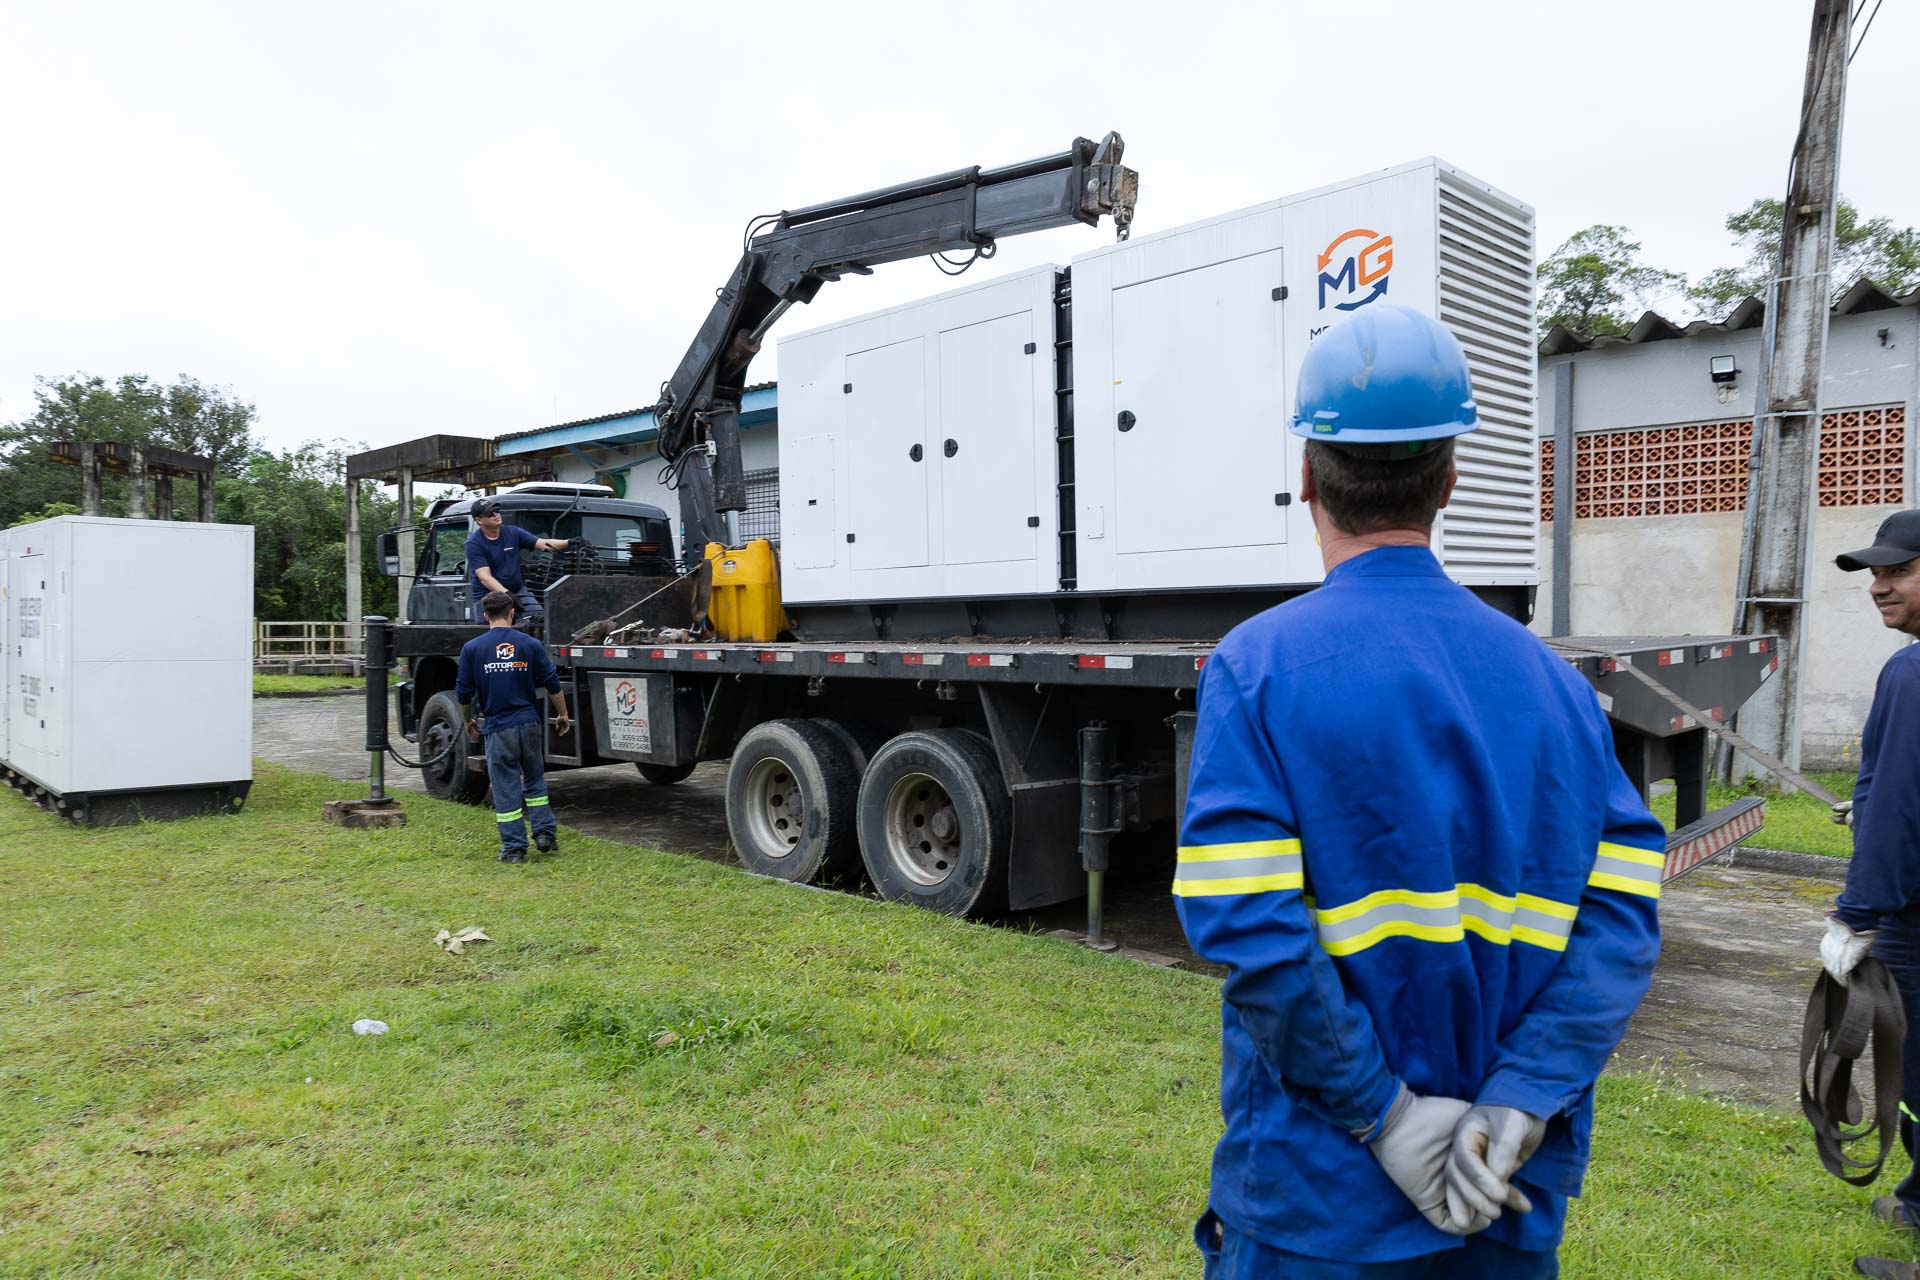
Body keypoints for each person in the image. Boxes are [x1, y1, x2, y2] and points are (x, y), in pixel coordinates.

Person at [1175, 304, 1665, 1278]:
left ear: (1306, 477)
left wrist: (1385, 1113)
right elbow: (1621, 921)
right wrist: (1521, 1098)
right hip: (1500, 1207)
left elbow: (1255, 930)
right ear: (1450, 479)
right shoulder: (1560, 690)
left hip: (1319, 1210)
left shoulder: (1256, 671)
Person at [1817, 510, 1920, 1280]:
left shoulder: (1911, 673)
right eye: (1873, 574)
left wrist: (1856, 914)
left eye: (1898, 571)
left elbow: (1900, 807)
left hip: (1913, 913)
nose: (1879, 586)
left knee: (1917, 1077)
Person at [455, 589, 572, 863]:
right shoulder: (529, 644)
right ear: (511, 613)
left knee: (506, 787)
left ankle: (514, 850)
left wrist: (467, 719)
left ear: (485, 616)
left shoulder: (472, 649)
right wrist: (563, 714)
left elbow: (463, 692)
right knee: (534, 780)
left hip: (498, 727)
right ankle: (544, 835)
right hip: (528, 724)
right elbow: (552, 683)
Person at [465, 497, 572, 628]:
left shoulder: (513, 532)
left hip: (517, 590)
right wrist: (508, 595)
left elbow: (543, 543)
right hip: (488, 596)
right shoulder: (474, 544)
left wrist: (569, 543)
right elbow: (485, 578)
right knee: (497, 635)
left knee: (539, 622)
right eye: (489, 513)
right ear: (479, 520)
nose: (495, 515)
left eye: (496, 510)